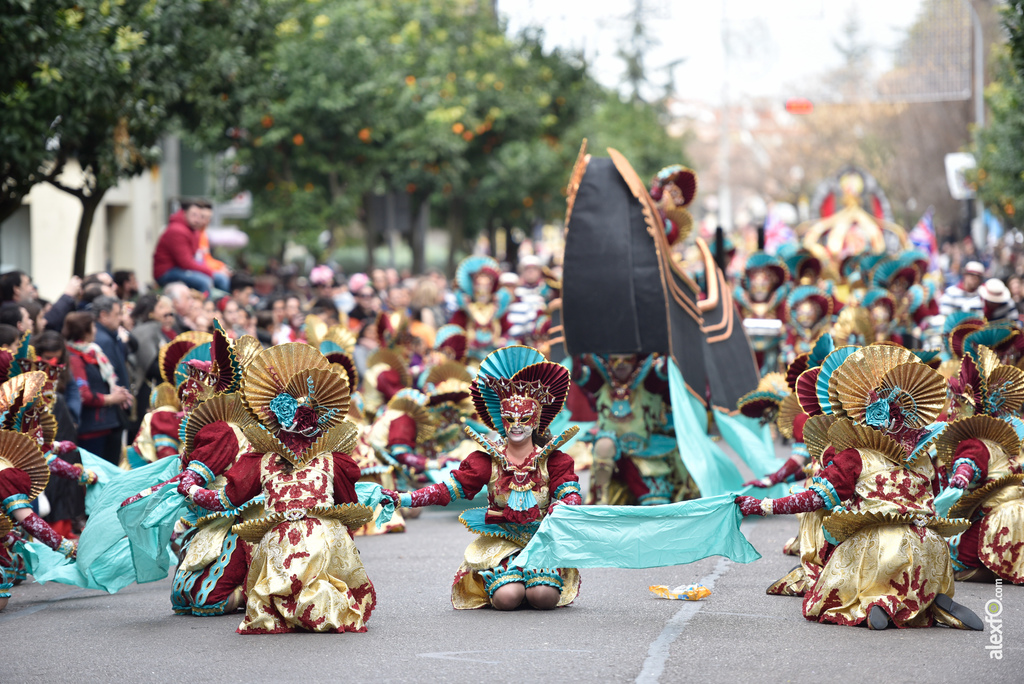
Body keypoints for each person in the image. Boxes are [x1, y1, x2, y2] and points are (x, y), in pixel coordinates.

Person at [736, 345, 981, 630]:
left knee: (833, 589)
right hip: (931, 548)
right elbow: (935, 495)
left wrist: (763, 505)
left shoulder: (853, 456)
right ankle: (931, 598)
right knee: (915, 550)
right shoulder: (923, 456)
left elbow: (814, 499)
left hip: (882, 549)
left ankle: (875, 602)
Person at [179, 344, 376, 633]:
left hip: (278, 545)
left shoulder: (260, 460)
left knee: (262, 594)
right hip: (326, 543)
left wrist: (191, 489)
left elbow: (224, 500)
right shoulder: (335, 460)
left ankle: (289, 598)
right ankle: (318, 595)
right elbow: (348, 509)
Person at [383, 345, 582, 610]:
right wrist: (402, 499)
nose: (517, 425)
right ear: (501, 419)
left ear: (536, 420)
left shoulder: (553, 460)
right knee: (507, 599)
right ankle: (510, 581)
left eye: (524, 418)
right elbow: (447, 490)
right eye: (510, 418)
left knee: (542, 598)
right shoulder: (486, 461)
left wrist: (564, 504)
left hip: (541, 540)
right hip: (501, 543)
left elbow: (570, 493)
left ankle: (532, 583)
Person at [63, 312, 133, 463]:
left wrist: (113, 389)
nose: (95, 330)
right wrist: (112, 398)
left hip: (104, 425)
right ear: (85, 331)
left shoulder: (92, 352)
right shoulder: (75, 359)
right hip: (92, 429)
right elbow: (84, 394)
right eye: (93, 326)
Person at [153, 200, 218, 295]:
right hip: (167, 272)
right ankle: (206, 307)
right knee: (204, 282)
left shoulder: (194, 230)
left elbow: (198, 258)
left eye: (200, 216)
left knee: (219, 278)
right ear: (184, 213)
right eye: (194, 215)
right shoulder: (177, 230)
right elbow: (186, 262)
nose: (197, 219)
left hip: (179, 269)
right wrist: (209, 271)